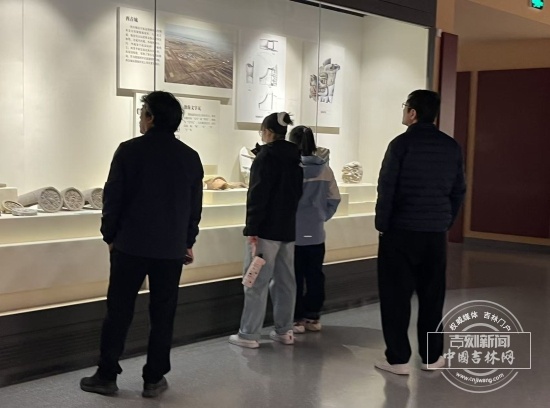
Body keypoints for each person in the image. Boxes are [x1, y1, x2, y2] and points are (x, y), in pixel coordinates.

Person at [80, 91, 203, 397]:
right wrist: (187, 241)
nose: (140, 118)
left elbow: (113, 199)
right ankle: (154, 379)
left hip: (130, 246)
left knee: (119, 311)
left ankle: (107, 375)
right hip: (170, 250)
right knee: (163, 315)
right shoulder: (190, 157)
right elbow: (194, 208)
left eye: (142, 112)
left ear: (150, 118)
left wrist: (110, 236)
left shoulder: (129, 151)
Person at [374, 90, 466, 375]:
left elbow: (387, 188)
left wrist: (383, 225)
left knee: (395, 297)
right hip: (434, 233)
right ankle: (432, 356)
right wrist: (445, 221)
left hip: (400, 231)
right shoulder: (451, 146)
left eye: (405, 107)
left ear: (412, 113)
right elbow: (458, 190)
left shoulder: (400, 144)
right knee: (432, 296)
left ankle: (398, 359)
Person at [229, 112, 303, 348]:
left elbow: (257, 195)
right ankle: (284, 330)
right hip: (287, 230)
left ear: (268, 132)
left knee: (255, 282)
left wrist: (252, 227)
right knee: (286, 282)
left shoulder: (265, 157)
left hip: (265, 231)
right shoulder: (295, 157)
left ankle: (249, 334)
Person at [288, 126, 340, 333]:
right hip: (316, 232)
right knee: (315, 275)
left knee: (294, 276)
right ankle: (313, 316)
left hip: (292, 233)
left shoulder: (292, 169)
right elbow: (334, 198)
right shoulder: (325, 169)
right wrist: (321, 216)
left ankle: (296, 318)